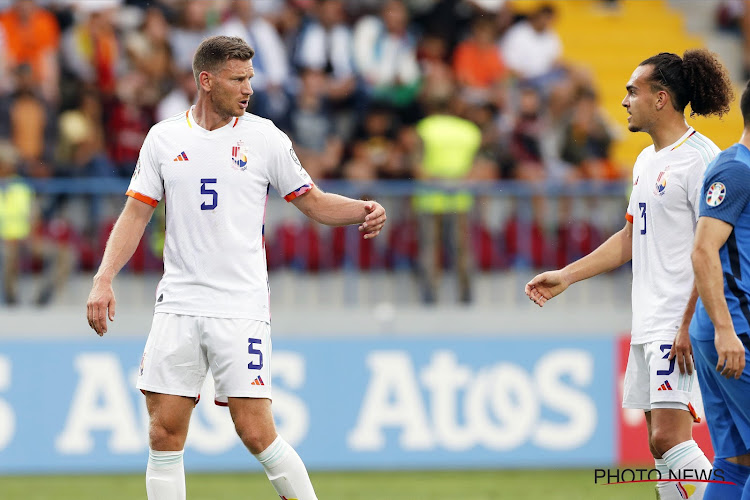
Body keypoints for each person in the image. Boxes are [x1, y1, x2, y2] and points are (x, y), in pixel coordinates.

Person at [85, 35, 386, 500]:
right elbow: (136, 214)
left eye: (250, 78)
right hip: (179, 304)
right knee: (164, 434)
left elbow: (315, 203)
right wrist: (103, 279)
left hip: (239, 305)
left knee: (255, 431)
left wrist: (362, 209)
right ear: (206, 81)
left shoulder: (264, 137)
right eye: (238, 79)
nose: (248, 88)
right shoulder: (164, 138)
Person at [525, 49, 733, 500]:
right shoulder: (645, 161)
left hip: (680, 321)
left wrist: (689, 324)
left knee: (669, 439)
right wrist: (567, 275)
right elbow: (629, 237)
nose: (624, 101)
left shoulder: (702, 160)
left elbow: (712, 248)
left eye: (632, 91)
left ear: (661, 99)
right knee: (656, 450)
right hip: (648, 320)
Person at [690, 79, 750, 499]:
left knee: (735, 461)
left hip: (717, 328)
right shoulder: (736, 170)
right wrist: (725, 330)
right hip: (734, 330)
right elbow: (703, 251)